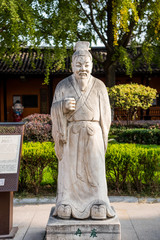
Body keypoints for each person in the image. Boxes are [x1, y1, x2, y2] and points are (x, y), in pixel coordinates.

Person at [51, 41, 115, 220]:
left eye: (86, 65)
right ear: (72, 66)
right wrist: (61, 107)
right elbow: (53, 110)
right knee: (69, 172)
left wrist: (103, 139)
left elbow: (106, 116)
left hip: (93, 136)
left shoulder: (100, 86)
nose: (83, 69)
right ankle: (67, 202)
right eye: (78, 65)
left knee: (94, 170)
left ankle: (99, 202)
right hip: (70, 135)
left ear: (92, 66)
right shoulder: (62, 86)